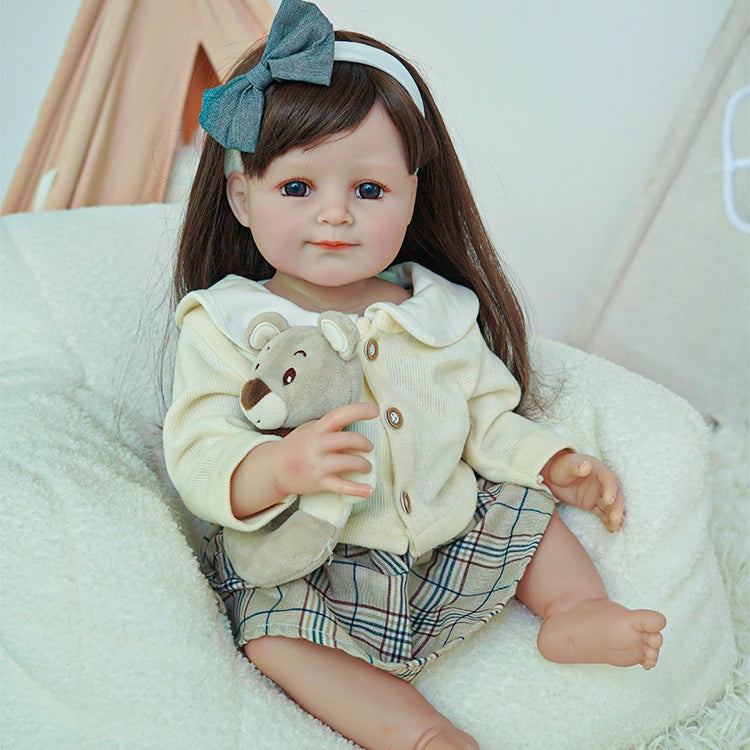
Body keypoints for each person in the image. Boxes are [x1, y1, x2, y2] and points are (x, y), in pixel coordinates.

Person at [163, 1, 666, 747]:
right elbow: (199, 449)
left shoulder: (436, 312)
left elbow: (489, 418)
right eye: (298, 189)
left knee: (517, 505)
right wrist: (280, 466)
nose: (334, 216)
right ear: (243, 197)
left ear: (411, 198)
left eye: (367, 191)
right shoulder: (226, 323)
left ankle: (575, 610)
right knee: (270, 634)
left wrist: (553, 463)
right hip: (315, 560)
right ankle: (418, 733)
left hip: (443, 528)